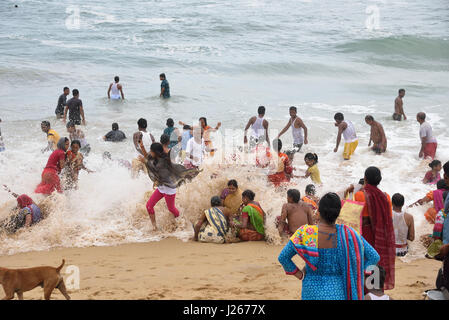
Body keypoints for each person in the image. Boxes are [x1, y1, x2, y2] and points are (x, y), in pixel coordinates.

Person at [278, 192, 380, 300]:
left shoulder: (305, 232)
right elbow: (374, 256)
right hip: (339, 291)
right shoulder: (349, 234)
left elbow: (283, 258)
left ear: (319, 211)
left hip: (311, 291)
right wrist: (360, 273)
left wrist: (300, 275)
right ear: (338, 213)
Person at [354, 166, 395, 290]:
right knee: (377, 262)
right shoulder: (386, 196)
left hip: (365, 234)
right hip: (381, 235)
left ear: (365, 178)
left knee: (366, 262)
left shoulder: (360, 195)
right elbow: (388, 219)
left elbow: (350, 217)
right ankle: (376, 291)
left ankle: (365, 292)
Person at [144, 143, 199, 231]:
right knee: (149, 206)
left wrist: (179, 144)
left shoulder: (166, 159)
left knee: (171, 208)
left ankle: (181, 222)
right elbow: (147, 159)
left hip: (170, 187)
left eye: (151, 151)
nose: (150, 152)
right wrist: (142, 145)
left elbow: (176, 153)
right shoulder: (153, 159)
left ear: (155, 152)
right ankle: (154, 227)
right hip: (161, 187)